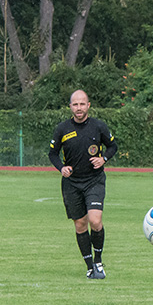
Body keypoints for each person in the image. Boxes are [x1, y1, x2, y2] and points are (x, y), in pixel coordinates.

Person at [49, 90, 117, 280]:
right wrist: (61, 168)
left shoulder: (98, 126)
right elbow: (52, 154)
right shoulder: (62, 129)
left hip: (94, 180)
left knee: (95, 221)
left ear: (88, 105)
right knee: (80, 225)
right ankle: (89, 267)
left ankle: (98, 262)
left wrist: (103, 158)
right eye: (75, 104)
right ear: (70, 107)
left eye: (82, 104)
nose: (79, 108)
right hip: (71, 183)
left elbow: (113, 146)